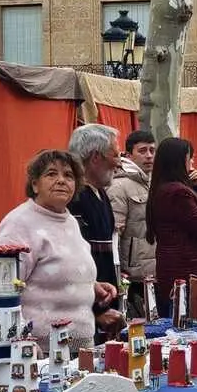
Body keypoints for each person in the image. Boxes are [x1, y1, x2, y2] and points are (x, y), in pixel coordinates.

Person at [0, 150, 120, 349]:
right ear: (34, 184)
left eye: (68, 175)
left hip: (80, 349)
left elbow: (58, 271)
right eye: (51, 174)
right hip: (39, 356)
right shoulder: (18, 225)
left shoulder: (69, 221)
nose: (61, 180)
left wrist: (91, 285)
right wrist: (25, 347)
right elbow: (0, 291)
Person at [145, 137, 197, 316]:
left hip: (172, 266)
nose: (192, 162)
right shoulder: (178, 193)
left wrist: (196, 187)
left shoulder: (163, 188)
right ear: (179, 160)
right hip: (185, 268)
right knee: (186, 322)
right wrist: (193, 189)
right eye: (190, 157)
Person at [66, 124, 123, 318]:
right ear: (96, 157)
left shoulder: (100, 193)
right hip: (84, 314)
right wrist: (95, 313)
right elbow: (72, 263)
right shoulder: (74, 198)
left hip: (104, 306)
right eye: (115, 155)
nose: (119, 163)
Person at [109, 129, 157, 316]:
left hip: (154, 272)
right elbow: (114, 234)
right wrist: (118, 273)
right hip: (132, 275)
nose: (149, 156)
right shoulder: (119, 186)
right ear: (128, 154)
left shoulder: (153, 182)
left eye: (152, 150)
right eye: (143, 150)